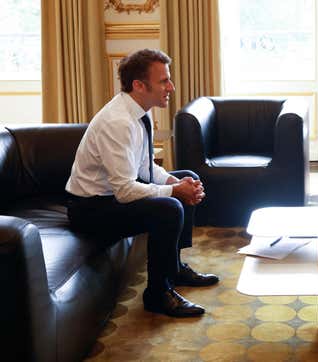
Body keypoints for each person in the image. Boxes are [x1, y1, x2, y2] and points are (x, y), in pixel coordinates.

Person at [66, 49, 219, 318]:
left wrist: (177, 182)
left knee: (188, 179)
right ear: (139, 85)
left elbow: (145, 169)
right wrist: (174, 190)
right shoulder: (118, 122)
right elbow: (125, 191)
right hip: (90, 209)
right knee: (170, 207)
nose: (171, 87)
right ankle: (158, 294)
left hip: (112, 197)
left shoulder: (140, 111)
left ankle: (174, 267)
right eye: (163, 81)